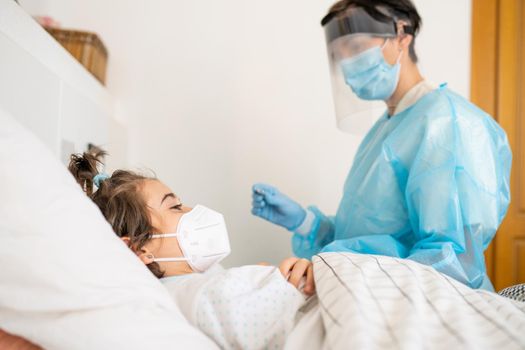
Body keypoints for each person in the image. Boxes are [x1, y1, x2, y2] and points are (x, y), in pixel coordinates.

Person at [251, 0, 512, 290]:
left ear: (402, 35)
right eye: (339, 55)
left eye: (356, 46)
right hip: (374, 294)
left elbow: (450, 258)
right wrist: (305, 222)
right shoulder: (386, 129)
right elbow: (362, 233)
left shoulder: (445, 123)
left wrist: (334, 267)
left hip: (429, 303)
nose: (347, 63)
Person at [68, 150, 314, 349]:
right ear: (137, 249)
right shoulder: (188, 295)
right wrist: (289, 285)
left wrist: (259, 278)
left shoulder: (194, 280)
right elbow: (257, 323)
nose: (192, 211)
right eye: (175, 206)